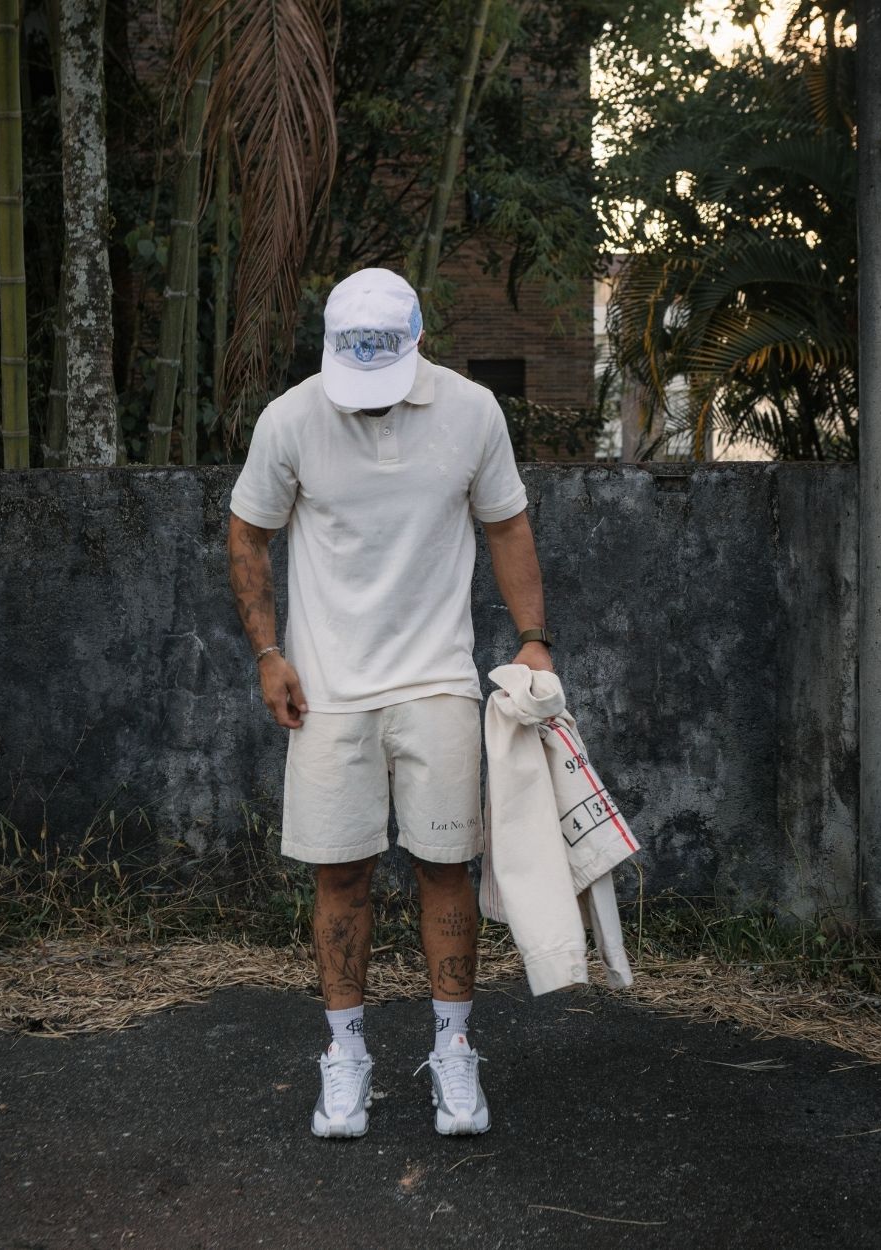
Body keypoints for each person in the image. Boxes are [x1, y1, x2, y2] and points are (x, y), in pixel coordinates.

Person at [227, 268, 553, 1138]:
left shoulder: (472, 412)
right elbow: (248, 531)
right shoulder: (292, 418)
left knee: (447, 866)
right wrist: (268, 652)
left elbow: (507, 523)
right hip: (329, 691)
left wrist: (533, 638)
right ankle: (346, 1057)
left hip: (437, 679)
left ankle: (454, 1050)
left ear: (417, 344)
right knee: (341, 873)